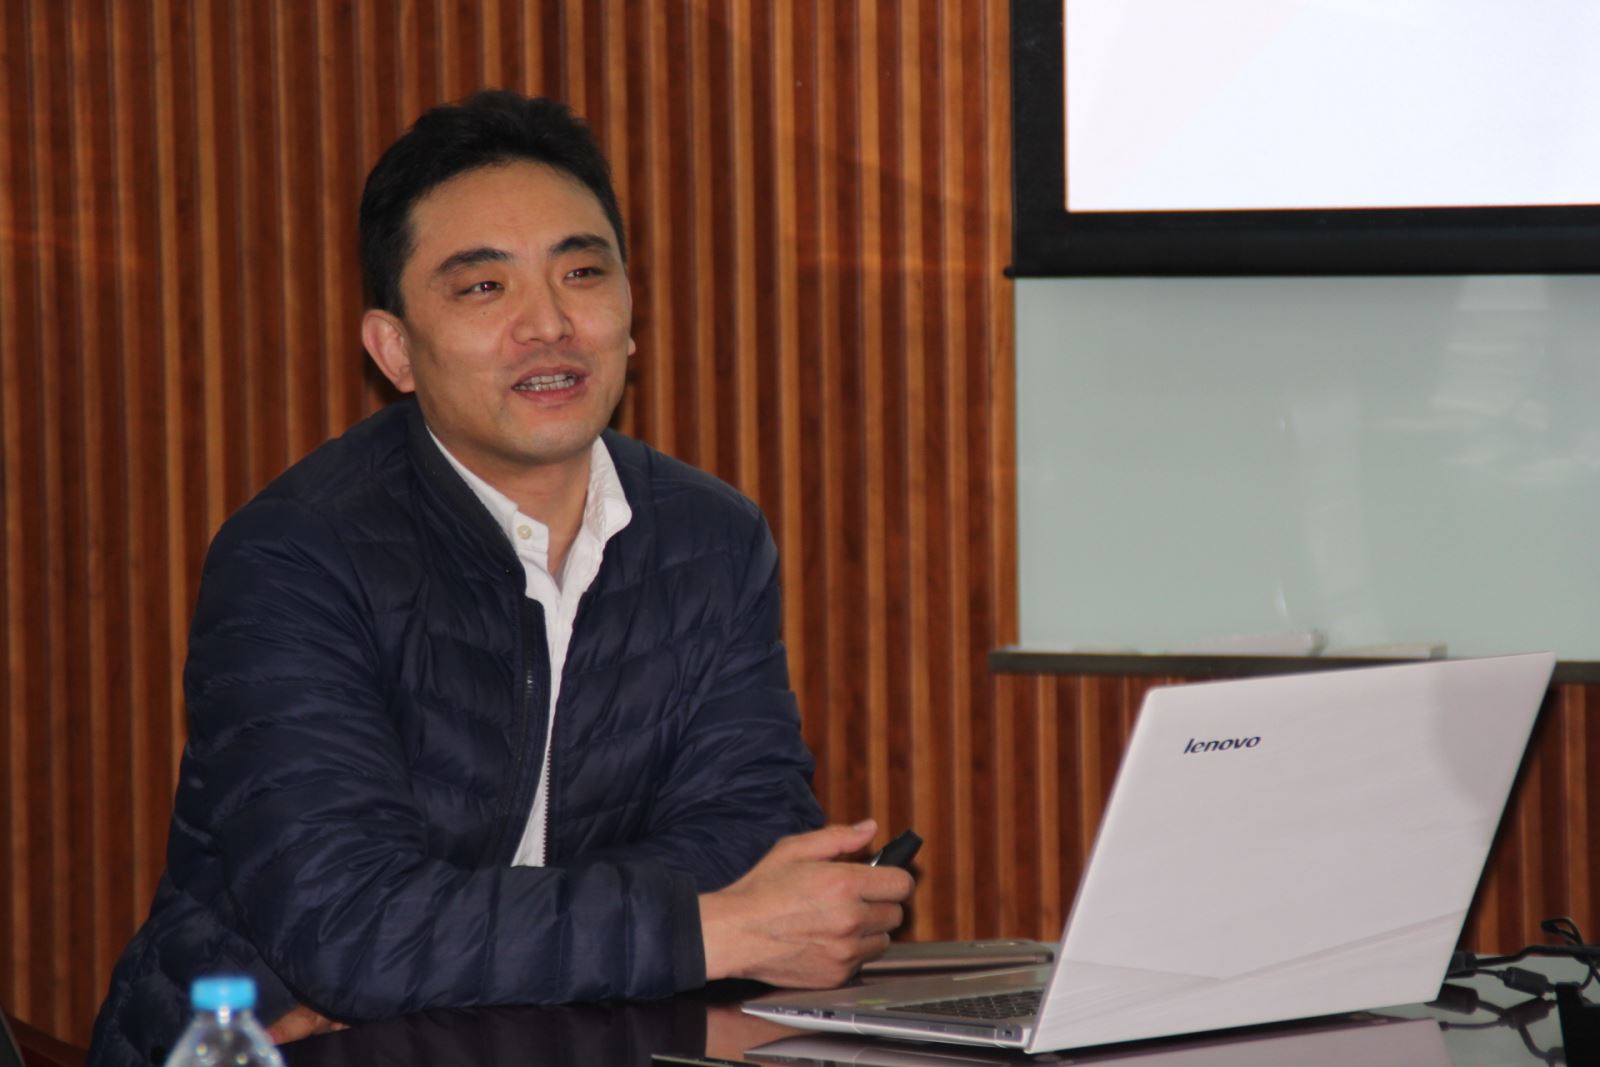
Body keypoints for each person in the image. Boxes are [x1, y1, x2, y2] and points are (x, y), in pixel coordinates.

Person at [88, 90, 913, 1066]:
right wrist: (705, 931)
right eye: (483, 287)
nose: (549, 323)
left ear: (630, 314)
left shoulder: (709, 538)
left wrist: (446, 955)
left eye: (581, 272)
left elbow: (747, 841)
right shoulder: (296, 555)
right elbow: (351, 926)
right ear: (395, 350)